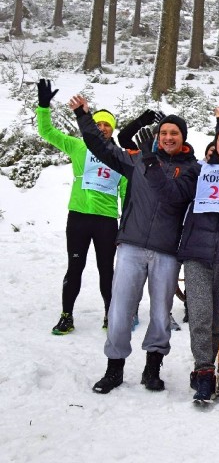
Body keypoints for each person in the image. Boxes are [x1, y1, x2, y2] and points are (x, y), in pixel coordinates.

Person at [70, 94, 199, 394]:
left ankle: (152, 369)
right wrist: (83, 116)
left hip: (166, 251)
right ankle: (114, 368)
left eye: (174, 133)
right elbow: (101, 147)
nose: (168, 137)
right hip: (131, 245)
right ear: (158, 136)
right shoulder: (137, 159)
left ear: (183, 139)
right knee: (120, 309)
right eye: (164, 132)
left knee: (160, 313)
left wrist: (151, 160)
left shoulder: (191, 170)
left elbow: (172, 195)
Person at [137, 122, 219, 403]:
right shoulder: (199, 171)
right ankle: (204, 371)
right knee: (201, 314)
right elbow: (170, 193)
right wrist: (150, 160)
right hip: (196, 253)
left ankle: (211, 364)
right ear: (215, 142)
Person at [36, 79, 127, 334]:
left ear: (112, 129)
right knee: (75, 267)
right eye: (97, 124)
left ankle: (110, 314)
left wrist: (127, 228)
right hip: (78, 218)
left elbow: (126, 196)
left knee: (106, 271)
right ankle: (67, 316)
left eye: (107, 125)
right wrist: (44, 106)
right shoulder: (79, 147)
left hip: (107, 221)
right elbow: (48, 133)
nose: (102, 128)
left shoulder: (120, 157)